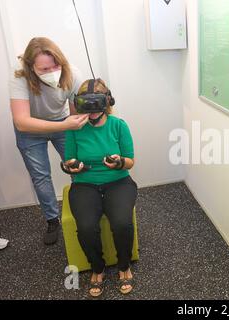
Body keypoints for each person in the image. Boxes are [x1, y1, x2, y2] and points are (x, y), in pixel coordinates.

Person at [9, 37, 89, 245]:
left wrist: (74, 128)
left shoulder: (72, 73)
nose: (52, 72)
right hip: (30, 129)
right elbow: (21, 122)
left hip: (63, 121)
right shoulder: (20, 77)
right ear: (30, 67)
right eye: (44, 69)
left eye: (55, 66)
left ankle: (82, 209)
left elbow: (77, 114)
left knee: (76, 166)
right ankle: (52, 220)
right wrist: (65, 126)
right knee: (41, 176)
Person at [62, 78, 137, 297]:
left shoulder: (118, 125)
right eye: (87, 105)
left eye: (97, 105)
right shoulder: (73, 128)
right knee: (86, 227)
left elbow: (130, 160)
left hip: (118, 181)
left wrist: (119, 162)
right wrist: (73, 167)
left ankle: (124, 266)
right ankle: (97, 267)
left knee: (122, 223)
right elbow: (69, 160)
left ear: (106, 102)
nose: (92, 112)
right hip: (85, 183)